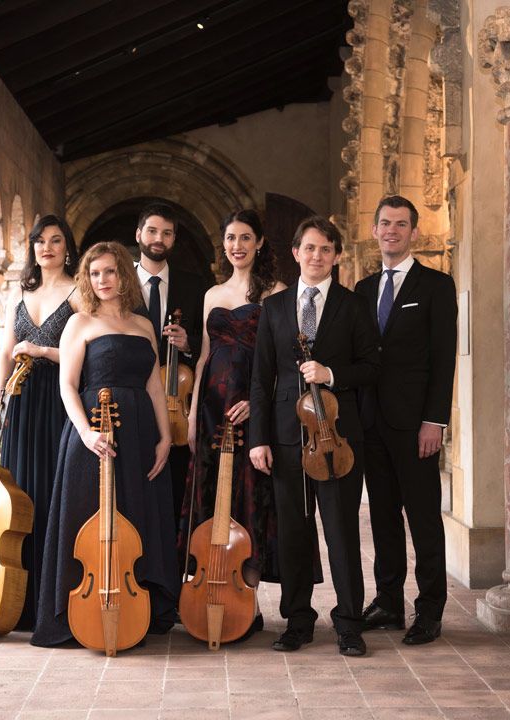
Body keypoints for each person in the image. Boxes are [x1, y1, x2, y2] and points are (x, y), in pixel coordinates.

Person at [31, 242, 175, 647]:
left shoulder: (143, 325)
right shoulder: (79, 322)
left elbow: (154, 386)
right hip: (93, 434)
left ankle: (136, 610)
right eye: (94, 274)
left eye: (109, 271)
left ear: (123, 274)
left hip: (141, 433)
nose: (102, 280)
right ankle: (81, 613)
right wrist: (86, 433)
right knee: (84, 520)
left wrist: (165, 436)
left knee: (138, 517)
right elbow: (67, 385)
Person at [248, 216, 379, 657]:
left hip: (338, 439)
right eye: (309, 248)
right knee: (293, 534)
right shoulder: (275, 308)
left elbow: (372, 367)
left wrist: (331, 374)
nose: (317, 256)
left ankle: (349, 623)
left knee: (341, 532)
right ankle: (298, 621)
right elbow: (261, 378)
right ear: (295, 252)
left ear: (336, 255)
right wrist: (259, 438)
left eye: (325, 249)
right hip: (288, 437)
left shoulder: (353, 305)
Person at [354, 196, 457, 645]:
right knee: (382, 518)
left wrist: (434, 421)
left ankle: (430, 611)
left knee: (423, 520)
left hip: (416, 427)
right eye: (385, 223)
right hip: (371, 424)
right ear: (374, 231)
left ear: (413, 232)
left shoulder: (436, 286)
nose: (391, 231)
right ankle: (389, 603)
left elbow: (443, 359)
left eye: (400, 224)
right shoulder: (362, 290)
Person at [183, 209, 287, 639]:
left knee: (251, 499)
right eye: (230, 238)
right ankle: (213, 591)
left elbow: (282, 362)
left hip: (250, 406)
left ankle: (249, 601)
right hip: (211, 409)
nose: (237, 246)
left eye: (245, 238)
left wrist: (257, 406)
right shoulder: (211, 294)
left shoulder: (277, 292)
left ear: (259, 242)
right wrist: (193, 415)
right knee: (213, 499)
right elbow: (205, 357)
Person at [0, 214, 78, 632]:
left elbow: (85, 351)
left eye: (55, 241)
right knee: (19, 496)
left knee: (55, 492)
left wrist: (42, 352)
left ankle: (50, 600)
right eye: (40, 241)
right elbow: (4, 354)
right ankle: (18, 600)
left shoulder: (79, 292)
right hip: (20, 405)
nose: (47, 248)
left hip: (60, 401)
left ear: (67, 248)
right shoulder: (18, 293)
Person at [132, 202, 210, 566]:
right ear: (139, 235)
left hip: (175, 404)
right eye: (152, 231)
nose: (158, 239)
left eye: (166, 233)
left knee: (175, 494)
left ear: (174, 239)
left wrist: (187, 344)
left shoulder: (195, 287)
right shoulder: (117, 281)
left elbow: (206, 344)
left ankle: (172, 573)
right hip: (132, 401)